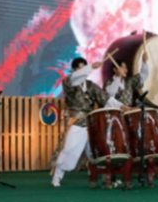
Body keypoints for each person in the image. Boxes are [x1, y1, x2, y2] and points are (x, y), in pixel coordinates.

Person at [51, 57, 121, 187]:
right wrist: (90, 68)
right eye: (80, 69)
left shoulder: (90, 85)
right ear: (74, 70)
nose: (83, 71)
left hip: (91, 123)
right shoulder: (68, 82)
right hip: (77, 122)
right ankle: (57, 177)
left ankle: (107, 177)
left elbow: (105, 98)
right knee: (69, 150)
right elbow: (76, 78)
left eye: (85, 68)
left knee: (97, 151)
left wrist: (122, 106)